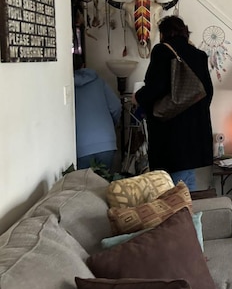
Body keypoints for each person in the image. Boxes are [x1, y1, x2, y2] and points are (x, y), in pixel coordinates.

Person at [134, 16, 214, 190]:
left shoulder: (162, 51)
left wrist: (138, 97)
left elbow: (157, 86)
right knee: (186, 184)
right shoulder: (199, 55)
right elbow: (207, 91)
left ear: (163, 34)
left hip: (170, 131)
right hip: (194, 131)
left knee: (170, 186)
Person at [73, 55, 122, 170]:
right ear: (83, 65)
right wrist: (111, 124)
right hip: (106, 143)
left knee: (84, 185)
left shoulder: (66, 87)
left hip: (81, 147)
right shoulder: (99, 82)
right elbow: (116, 106)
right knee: (104, 184)